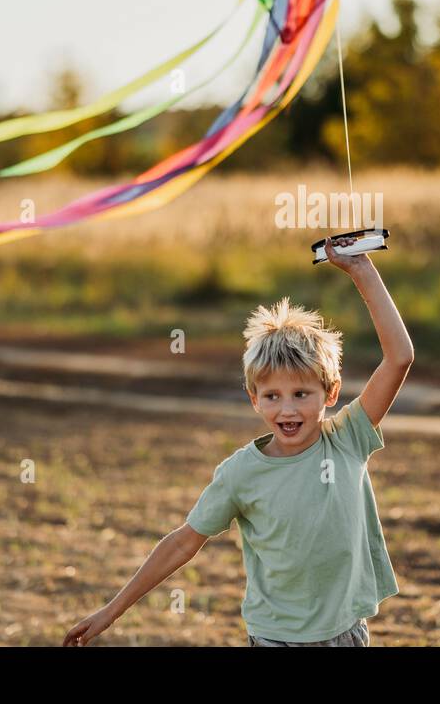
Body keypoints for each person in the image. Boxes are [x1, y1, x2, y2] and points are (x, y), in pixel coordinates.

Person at [63, 234, 414, 646]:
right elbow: (183, 543)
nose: (287, 410)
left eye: (302, 394)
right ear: (254, 399)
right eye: (272, 396)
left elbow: (399, 357)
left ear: (330, 393)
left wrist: (362, 271)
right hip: (274, 639)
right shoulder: (240, 473)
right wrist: (110, 611)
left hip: (344, 635)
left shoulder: (348, 438)